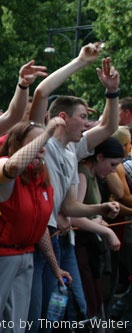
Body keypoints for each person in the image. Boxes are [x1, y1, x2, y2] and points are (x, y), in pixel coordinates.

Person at [24, 45, 121, 332]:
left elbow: (108, 127)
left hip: (65, 240)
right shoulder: (44, 142)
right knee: (42, 316)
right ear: (63, 118)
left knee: (72, 308)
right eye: (82, 116)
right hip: (43, 241)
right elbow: (41, 94)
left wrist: (112, 93)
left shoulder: (71, 150)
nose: (88, 122)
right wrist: (80, 61)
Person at [0, 119, 71, 332]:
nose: (42, 146)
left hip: (26, 256)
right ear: (16, 144)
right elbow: (13, 166)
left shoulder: (40, 177)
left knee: (16, 326)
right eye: (35, 141)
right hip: (0, 258)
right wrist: (48, 130)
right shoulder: (1, 165)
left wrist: (55, 266)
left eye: (45, 141)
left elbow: (39, 228)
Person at [74, 137, 124, 320]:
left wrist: (102, 215)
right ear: (100, 157)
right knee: (89, 302)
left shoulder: (94, 174)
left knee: (97, 298)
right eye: (112, 165)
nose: (113, 170)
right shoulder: (82, 174)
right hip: (80, 248)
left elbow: (90, 213)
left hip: (90, 248)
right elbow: (74, 219)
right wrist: (108, 231)